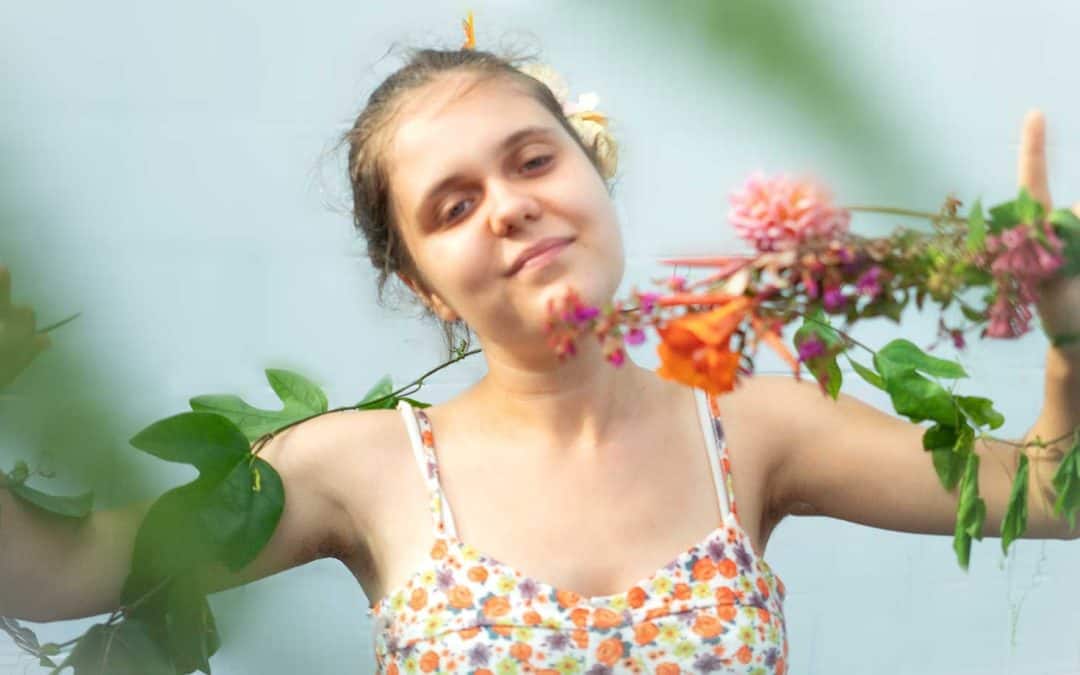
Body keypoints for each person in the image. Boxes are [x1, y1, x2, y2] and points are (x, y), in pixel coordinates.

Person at [1, 43, 1078, 675]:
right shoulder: (356, 466)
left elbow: (1054, 497)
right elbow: (63, 575)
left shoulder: (752, 425)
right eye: (454, 205)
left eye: (532, 161)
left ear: (592, 176)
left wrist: (1069, 340)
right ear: (422, 282)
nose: (512, 207)